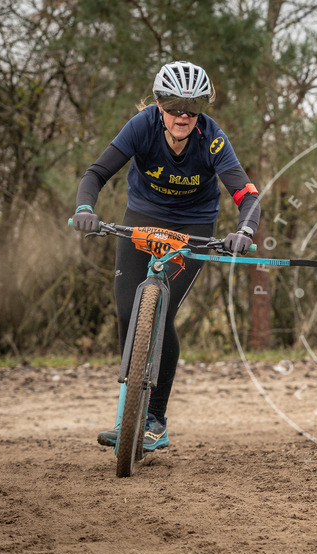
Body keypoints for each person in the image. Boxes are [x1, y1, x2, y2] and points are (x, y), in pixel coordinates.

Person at [71, 61, 261, 451]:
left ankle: (155, 420)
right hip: (142, 218)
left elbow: (247, 195)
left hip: (193, 226)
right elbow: (96, 174)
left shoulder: (213, 140)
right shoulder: (141, 126)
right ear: (159, 104)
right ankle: (128, 416)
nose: (182, 116)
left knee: (162, 311)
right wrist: (85, 209)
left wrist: (243, 231)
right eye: (173, 106)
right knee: (129, 310)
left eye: (192, 108)